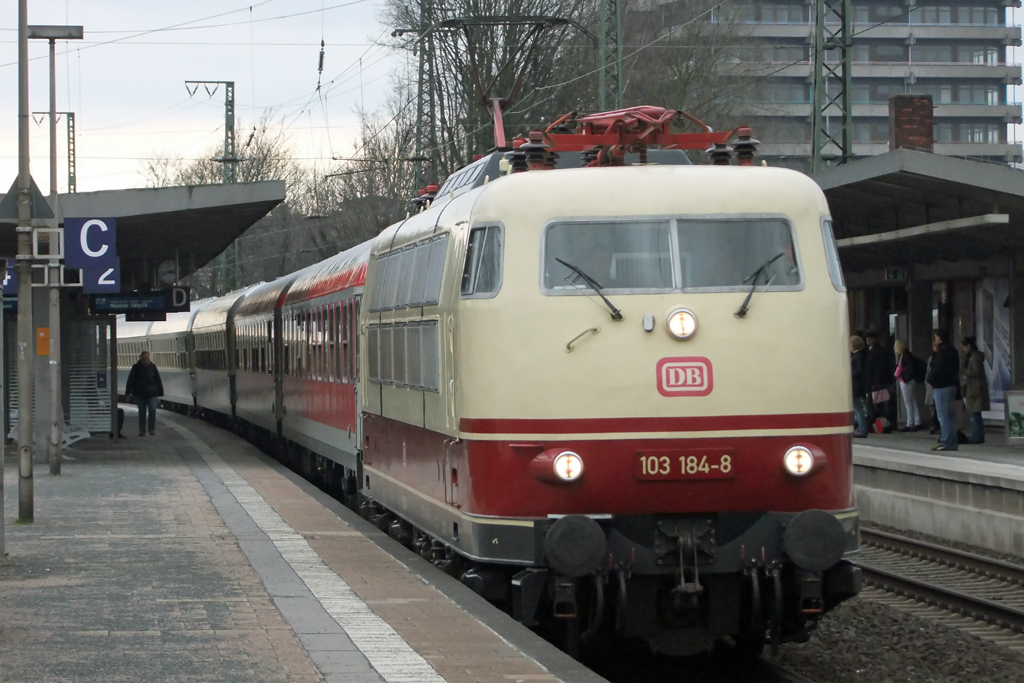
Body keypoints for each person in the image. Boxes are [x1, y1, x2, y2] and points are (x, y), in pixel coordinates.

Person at [926, 330, 960, 452]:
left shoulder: (942, 352)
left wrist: (929, 378)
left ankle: (946, 441)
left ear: (939, 338)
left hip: (941, 386)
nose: (934, 340)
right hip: (951, 385)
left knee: (943, 416)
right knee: (950, 415)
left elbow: (937, 369)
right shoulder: (953, 350)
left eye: (935, 337)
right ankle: (952, 441)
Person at [125, 351, 164, 436]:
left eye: (146, 358)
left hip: (152, 394)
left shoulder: (153, 367)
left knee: (152, 410)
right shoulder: (136, 368)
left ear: (149, 358)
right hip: (139, 394)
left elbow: (158, 380)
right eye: (143, 359)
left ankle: (151, 429)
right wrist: (128, 393)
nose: (145, 360)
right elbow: (130, 381)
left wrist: (160, 392)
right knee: (142, 411)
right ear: (140, 359)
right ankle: (142, 430)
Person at [961, 336, 990, 444]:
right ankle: (977, 435)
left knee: (974, 414)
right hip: (973, 388)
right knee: (974, 414)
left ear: (969, 346)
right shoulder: (972, 356)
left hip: (975, 389)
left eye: (964, 347)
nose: (963, 349)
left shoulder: (975, 357)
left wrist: (965, 371)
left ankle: (977, 436)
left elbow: (976, 372)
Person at [893, 339, 921, 432]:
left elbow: (911, 368)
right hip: (909, 380)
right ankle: (917, 421)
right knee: (912, 401)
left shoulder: (905, 356)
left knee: (908, 402)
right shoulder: (907, 355)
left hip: (906, 381)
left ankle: (910, 423)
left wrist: (905, 378)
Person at [864, 331, 891, 423]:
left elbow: (879, 367)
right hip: (872, 381)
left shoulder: (878, 351)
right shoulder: (869, 350)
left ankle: (879, 422)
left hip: (876, 382)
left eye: (870, 339)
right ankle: (876, 421)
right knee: (873, 402)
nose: (868, 340)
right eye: (867, 339)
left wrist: (877, 381)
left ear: (874, 340)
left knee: (877, 403)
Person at [850, 335, 870, 438]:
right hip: (858, 385)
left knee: (858, 409)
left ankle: (862, 429)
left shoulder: (858, 356)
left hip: (856, 385)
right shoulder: (862, 355)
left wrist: (850, 372)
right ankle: (860, 428)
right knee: (857, 408)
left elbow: (859, 371)